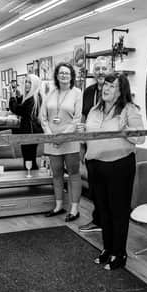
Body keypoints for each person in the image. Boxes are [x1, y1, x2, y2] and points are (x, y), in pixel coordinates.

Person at [80, 73, 144, 270]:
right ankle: (107, 249)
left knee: (118, 211)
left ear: (120, 91)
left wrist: (126, 131)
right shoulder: (94, 110)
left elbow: (140, 138)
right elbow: (90, 136)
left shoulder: (129, 109)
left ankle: (120, 253)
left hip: (119, 165)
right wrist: (82, 132)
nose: (106, 89)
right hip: (95, 165)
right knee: (103, 210)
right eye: (105, 85)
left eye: (112, 86)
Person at [40, 62, 83, 222]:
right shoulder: (50, 94)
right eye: (61, 73)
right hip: (52, 140)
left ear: (71, 76)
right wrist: (51, 136)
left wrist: (63, 136)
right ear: (57, 76)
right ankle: (58, 206)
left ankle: (74, 209)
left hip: (70, 140)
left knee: (73, 173)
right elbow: (43, 118)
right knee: (56, 174)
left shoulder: (77, 93)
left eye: (67, 73)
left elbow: (77, 119)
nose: (64, 75)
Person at [78, 56, 110, 233]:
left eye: (103, 69)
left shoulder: (115, 90)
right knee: (95, 187)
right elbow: (83, 117)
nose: (100, 72)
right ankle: (98, 220)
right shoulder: (89, 91)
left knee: (107, 188)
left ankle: (107, 222)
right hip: (91, 148)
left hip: (108, 147)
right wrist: (82, 146)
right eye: (97, 69)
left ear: (110, 70)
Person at [9, 73, 43, 169]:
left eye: (30, 82)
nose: (27, 84)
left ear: (35, 84)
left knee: (29, 159)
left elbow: (18, 110)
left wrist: (12, 97)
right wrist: (18, 97)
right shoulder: (36, 97)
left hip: (29, 133)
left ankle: (32, 181)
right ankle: (32, 180)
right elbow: (23, 105)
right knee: (29, 158)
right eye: (26, 82)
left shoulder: (33, 99)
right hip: (31, 132)